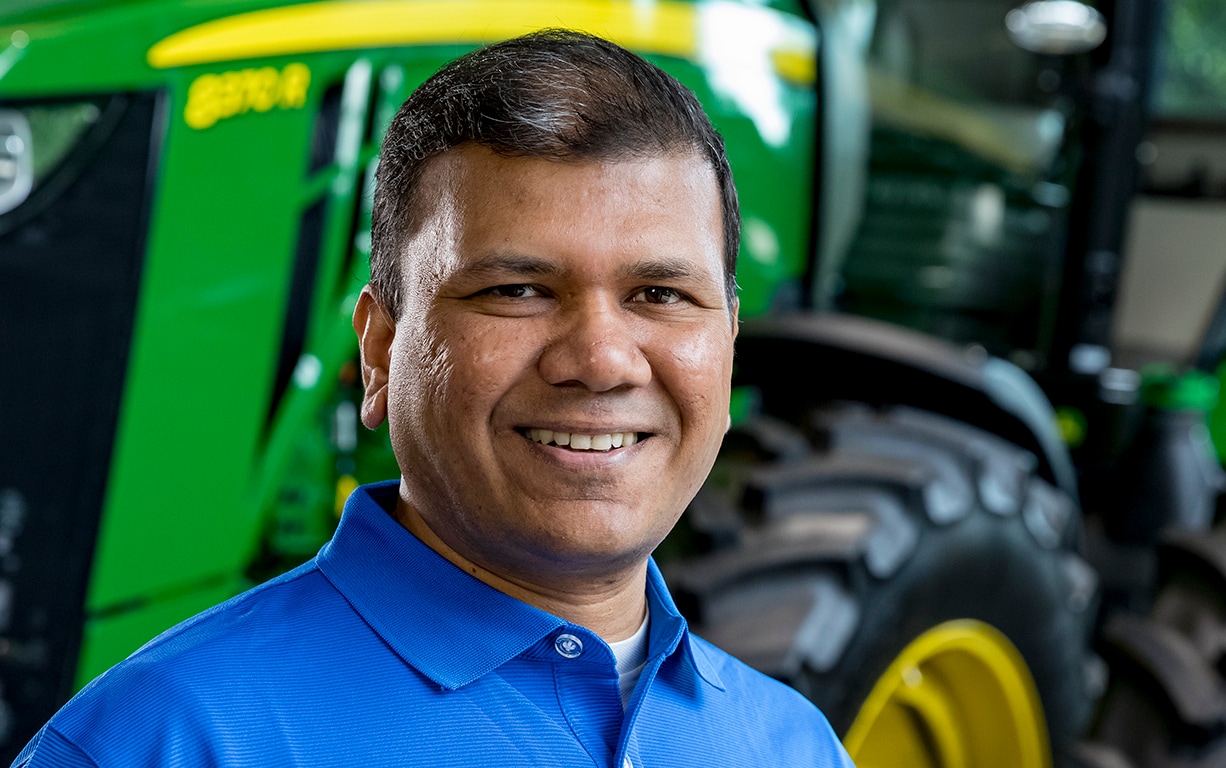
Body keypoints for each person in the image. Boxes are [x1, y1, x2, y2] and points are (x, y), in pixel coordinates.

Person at [13, 29, 854, 767]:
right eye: (518, 290)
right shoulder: (166, 742)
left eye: (662, 296)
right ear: (379, 349)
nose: (601, 361)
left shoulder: (794, 747)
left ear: (729, 342)